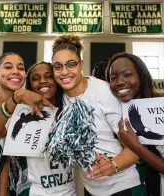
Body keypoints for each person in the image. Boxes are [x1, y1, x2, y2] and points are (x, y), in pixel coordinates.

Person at [51, 34, 145, 196]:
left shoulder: (103, 91)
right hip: (92, 188)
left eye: (71, 64)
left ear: (81, 64)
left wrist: (113, 165)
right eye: (58, 67)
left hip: (123, 186)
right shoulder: (61, 97)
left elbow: (137, 146)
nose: (64, 72)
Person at [0, 53, 53, 196]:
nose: (16, 71)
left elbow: (6, 159)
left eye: (20, 68)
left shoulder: (21, 108)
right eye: (8, 67)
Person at [6, 61, 76, 196]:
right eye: (35, 78)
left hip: (69, 191)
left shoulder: (70, 113)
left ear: (56, 80)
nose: (43, 81)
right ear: (30, 85)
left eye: (48, 76)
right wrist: (18, 95)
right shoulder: (22, 115)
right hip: (34, 191)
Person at [106, 52, 164, 196]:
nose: (119, 82)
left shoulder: (160, 110)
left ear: (141, 76)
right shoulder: (115, 115)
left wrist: (136, 147)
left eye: (127, 74)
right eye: (113, 78)